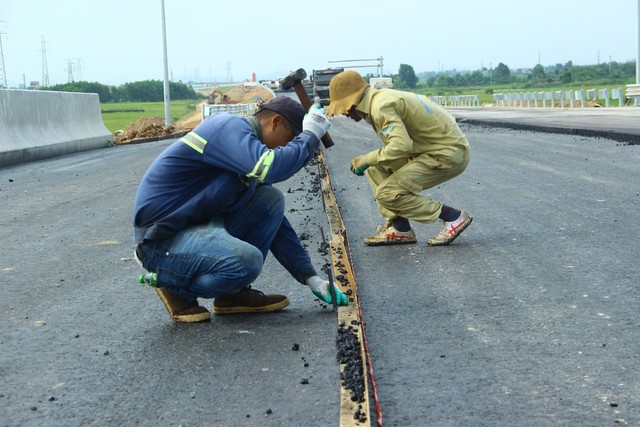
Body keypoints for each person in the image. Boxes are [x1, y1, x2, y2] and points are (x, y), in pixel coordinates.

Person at [132, 96, 348, 323]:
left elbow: (275, 223)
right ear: (275, 123)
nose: (286, 148)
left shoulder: (244, 150)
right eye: (290, 140)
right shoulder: (227, 128)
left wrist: (311, 277)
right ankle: (174, 286)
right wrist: (311, 134)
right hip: (161, 241)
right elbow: (274, 167)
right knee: (248, 261)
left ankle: (232, 295)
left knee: (270, 199)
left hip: (197, 227)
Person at [326, 70, 472, 247]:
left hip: (447, 154)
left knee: (386, 192)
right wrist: (369, 161)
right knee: (374, 167)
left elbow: (401, 146)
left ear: (353, 101)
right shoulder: (379, 99)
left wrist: (365, 159)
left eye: (344, 108)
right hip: (432, 150)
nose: (345, 114)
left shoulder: (380, 107)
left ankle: (453, 217)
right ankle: (400, 228)